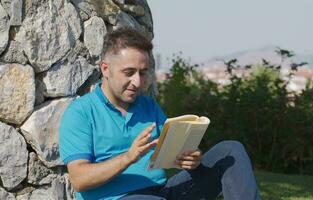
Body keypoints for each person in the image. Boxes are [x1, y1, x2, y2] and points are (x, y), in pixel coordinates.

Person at [59, 27, 261, 200]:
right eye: (129, 72)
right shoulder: (81, 113)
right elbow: (79, 180)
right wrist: (129, 157)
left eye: (143, 72)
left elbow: (173, 155)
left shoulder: (149, 106)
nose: (137, 82)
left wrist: (193, 161)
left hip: (160, 192)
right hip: (117, 197)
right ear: (105, 69)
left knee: (230, 151)